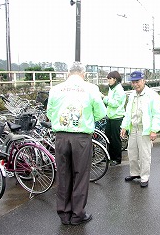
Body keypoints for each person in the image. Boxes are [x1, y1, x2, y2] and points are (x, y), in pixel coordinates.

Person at [46, 61, 106, 225]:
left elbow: (50, 113)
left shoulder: (56, 89)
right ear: (83, 74)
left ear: (68, 73)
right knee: (80, 175)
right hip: (81, 137)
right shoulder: (91, 88)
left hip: (61, 136)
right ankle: (77, 215)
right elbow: (101, 113)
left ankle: (64, 214)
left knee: (63, 174)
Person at [120, 71, 160, 188]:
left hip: (145, 129)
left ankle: (144, 177)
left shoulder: (152, 95)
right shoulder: (132, 95)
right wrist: (124, 126)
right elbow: (128, 113)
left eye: (137, 82)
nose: (135, 84)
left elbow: (157, 114)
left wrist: (154, 130)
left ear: (143, 81)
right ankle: (135, 173)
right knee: (132, 152)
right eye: (133, 82)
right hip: (133, 128)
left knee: (145, 154)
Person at [101, 71, 126, 166]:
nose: (108, 80)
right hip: (110, 116)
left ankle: (117, 158)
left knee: (115, 139)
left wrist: (104, 98)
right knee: (108, 137)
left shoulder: (119, 90)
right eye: (108, 78)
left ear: (115, 79)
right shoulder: (112, 88)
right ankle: (109, 156)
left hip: (117, 117)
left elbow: (115, 103)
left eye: (110, 78)